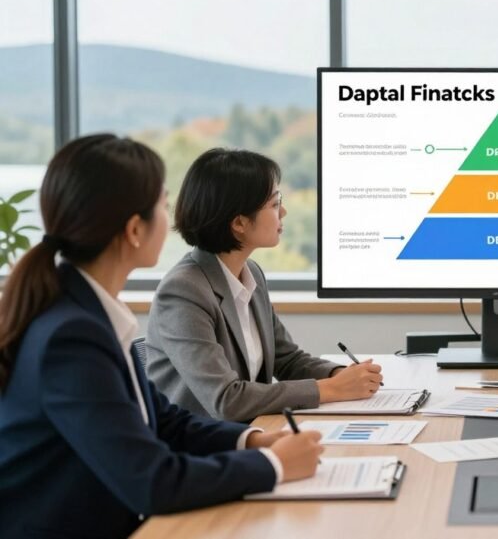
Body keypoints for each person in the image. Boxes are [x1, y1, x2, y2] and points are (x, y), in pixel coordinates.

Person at [0, 135, 323, 539]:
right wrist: (274, 466)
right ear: (135, 229)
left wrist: (253, 440)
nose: (171, 219)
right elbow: (152, 481)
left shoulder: (86, 313)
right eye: (163, 206)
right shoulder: (71, 336)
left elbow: (164, 421)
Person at [146, 148, 382, 422]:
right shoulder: (183, 291)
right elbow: (227, 400)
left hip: (251, 432)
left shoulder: (251, 274)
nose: (283, 211)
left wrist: (338, 374)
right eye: (274, 203)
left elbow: (288, 360)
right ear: (239, 223)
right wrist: (329, 389)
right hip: (202, 450)